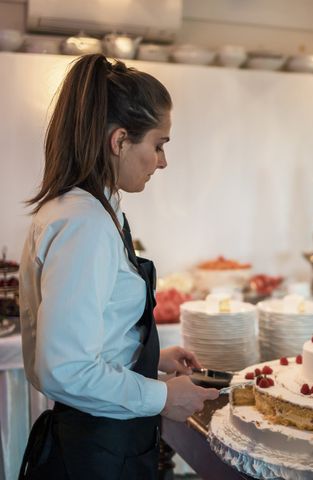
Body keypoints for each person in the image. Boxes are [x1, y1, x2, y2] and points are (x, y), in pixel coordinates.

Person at [18, 54, 219, 479]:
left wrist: (150, 358)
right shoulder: (84, 223)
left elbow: (93, 330)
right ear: (120, 140)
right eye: (159, 144)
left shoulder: (99, 209)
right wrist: (161, 397)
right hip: (97, 449)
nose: (162, 161)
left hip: (111, 438)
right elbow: (67, 368)